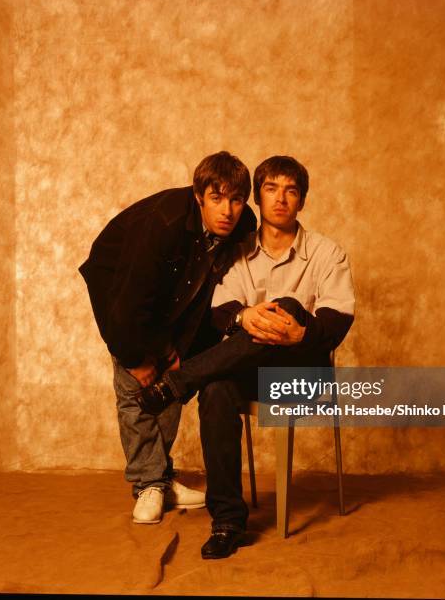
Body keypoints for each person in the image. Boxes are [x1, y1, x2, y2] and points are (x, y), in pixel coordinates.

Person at [139, 155, 355, 558]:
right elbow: (221, 311)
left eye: (291, 190)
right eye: (271, 189)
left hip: (303, 372)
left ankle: (179, 381)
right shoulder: (236, 253)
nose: (281, 199)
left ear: (302, 200)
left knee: (288, 304)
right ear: (257, 197)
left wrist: (299, 330)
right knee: (217, 388)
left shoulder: (328, 253)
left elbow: (337, 321)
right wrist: (245, 315)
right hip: (246, 369)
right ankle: (227, 523)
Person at [78, 151, 257, 525]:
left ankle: (160, 477)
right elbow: (129, 303)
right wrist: (137, 359)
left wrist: (181, 354)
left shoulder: (242, 227)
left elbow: (210, 291)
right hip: (120, 287)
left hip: (174, 296)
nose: (227, 210)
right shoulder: (163, 224)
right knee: (137, 385)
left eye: (236, 199)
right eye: (216, 198)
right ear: (198, 195)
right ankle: (148, 484)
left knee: (171, 382)